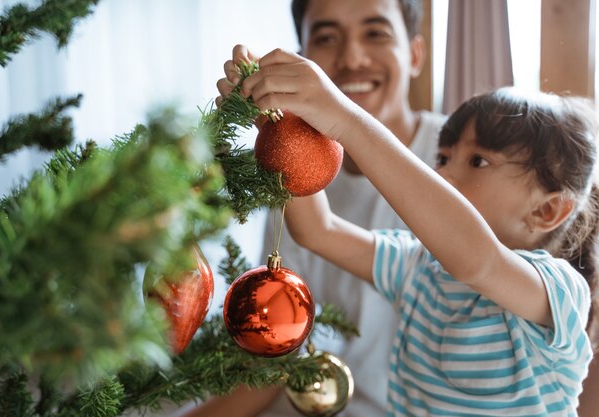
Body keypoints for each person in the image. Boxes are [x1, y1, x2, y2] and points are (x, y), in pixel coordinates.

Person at [234, 47, 598, 415]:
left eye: (478, 161)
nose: (445, 174)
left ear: (547, 210)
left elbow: (477, 262)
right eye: (442, 157)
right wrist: (282, 131)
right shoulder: (417, 266)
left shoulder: (558, 291)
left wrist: (346, 121)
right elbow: (319, 231)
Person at [183, 1, 446, 416]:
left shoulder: (460, 162)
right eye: (326, 37)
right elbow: (275, 342)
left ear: (414, 54)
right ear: (305, 60)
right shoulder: (295, 171)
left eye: (375, 33)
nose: (352, 58)